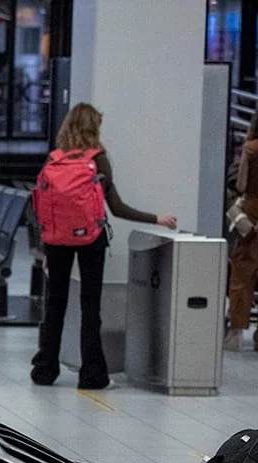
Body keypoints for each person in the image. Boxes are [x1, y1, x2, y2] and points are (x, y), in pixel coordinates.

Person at [31, 103, 177, 390]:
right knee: (90, 306)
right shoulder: (97, 159)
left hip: (56, 240)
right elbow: (117, 207)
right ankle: (92, 374)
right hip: (90, 240)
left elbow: (40, 208)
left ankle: (45, 369)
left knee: (55, 304)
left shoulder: (54, 160)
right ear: (94, 128)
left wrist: (44, 247)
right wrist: (157, 219)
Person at [228, 114, 258, 352]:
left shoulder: (250, 149)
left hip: (251, 212)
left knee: (242, 275)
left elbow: (239, 185)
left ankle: (237, 332)